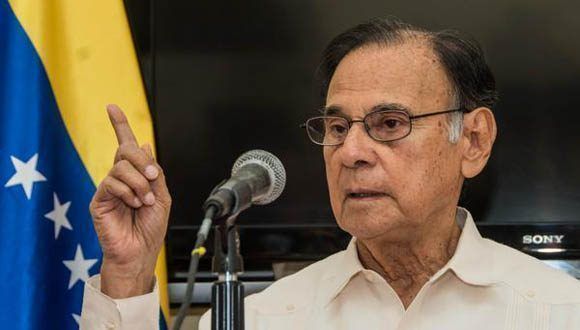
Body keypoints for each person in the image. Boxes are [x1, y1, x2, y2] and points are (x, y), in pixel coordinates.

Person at [80, 18, 580, 329]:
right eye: (337, 126)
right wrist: (127, 273)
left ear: (472, 141)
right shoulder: (257, 319)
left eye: (389, 123)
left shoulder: (560, 312)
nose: (351, 151)